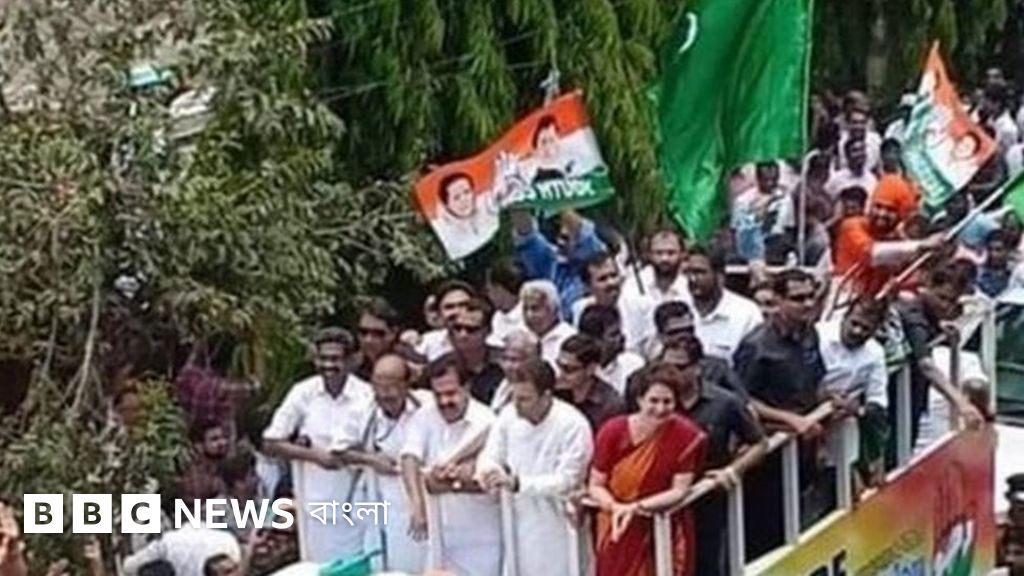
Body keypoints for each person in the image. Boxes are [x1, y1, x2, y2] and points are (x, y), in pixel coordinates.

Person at [734, 269, 826, 557]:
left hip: (805, 447)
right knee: (767, 536)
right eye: (798, 298)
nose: (807, 304)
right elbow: (743, 400)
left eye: (811, 296)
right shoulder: (756, 346)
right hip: (770, 454)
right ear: (778, 300)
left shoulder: (810, 333)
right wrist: (790, 419)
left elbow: (814, 380)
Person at [261, 328, 373, 562]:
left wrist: (348, 456)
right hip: (314, 503)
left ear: (351, 361)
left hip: (358, 502)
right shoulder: (303, 392)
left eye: (335, 359)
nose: (328, 365)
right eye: (323, 358)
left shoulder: (366, 395)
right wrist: (315, 456)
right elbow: (271, 442)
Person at [476, 357, 595, 576]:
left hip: (559, 524)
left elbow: (568, 479)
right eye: (514, 397)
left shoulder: (574, 424)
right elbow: (490, 455)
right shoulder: (508, 416)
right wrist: (489, 472)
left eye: (525, 399)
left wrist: (519, 483)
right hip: (517, 520)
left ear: (546, 396)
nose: (517, 404)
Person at [589, 363, 707, 576]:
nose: (660, 409)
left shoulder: (686, 435)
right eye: (653, 400)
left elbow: (679, 490)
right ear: (639, 399)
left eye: (667, 401)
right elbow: (596, 484)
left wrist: (636, 507)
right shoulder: (613, 431)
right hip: (616, 524)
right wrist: (615, 507)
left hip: (664, 523)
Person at [667, 351, 766, 576]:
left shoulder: (725, 402)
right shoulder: (655, 402)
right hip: (665, 498)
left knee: (707, 563)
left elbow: (759, 443)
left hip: (707, 497)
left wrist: (732, 470)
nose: (673, 374)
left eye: (680, 367)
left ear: (697, 368)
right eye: (667, 367)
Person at [400, 356, 501, 576]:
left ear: (467, 387)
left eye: (451, 393)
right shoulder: (425, 415)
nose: (445, 401)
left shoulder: (488, 422)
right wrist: (417, 504)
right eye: (438, 395)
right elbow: (409, 456)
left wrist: (445, 483)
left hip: (480, 537)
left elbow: (488, 478)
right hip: (438, 534)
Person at [333, 354, 429, 574]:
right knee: (379, 563)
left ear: (406, 384)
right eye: (379, 387)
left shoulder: (425, 406)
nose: (385, 394)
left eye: (391, 387)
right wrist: (372, 460)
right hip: (377, 496)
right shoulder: (363, 409)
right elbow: (338, 451)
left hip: (418, 496)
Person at [894, 265, 985, 444]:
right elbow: (926, 365)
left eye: (952, 301)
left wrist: (940, 330)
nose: (946, 306)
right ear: (928, 287)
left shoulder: (930, 315)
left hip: (914, 395)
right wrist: (962, 403)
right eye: (941, 297)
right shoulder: (913, 315)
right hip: (896, 397)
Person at [816, 297, 890, 487]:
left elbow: (878, 400)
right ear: (845, 316)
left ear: (875, 330)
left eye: (866, 329)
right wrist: (822, 396)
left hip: (844, 420)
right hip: (810, 412)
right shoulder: (818, 335)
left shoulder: (875, 353)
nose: (857, 331)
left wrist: (856, 409)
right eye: (854, 323)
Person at [834, 174, 938, 295]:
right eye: (878, 206)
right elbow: (872, 253)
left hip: (870, 302)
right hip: (841, 297)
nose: (882, 213)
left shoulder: (895, 241)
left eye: (890, 210)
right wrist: (922, 245)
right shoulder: (851, 226)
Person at [511, 208, 607, 314]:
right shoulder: (550, 262)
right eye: (560, 237)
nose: (560, 242)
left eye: (566, 238)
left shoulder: (592, 257)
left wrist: (559, 203)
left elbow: (579, 229)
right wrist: (517, 202)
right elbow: (527, 236)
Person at [683, 244, 763, 364]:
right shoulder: (677, 307)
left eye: (700, 272)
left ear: (719, 275)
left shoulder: (747, 313)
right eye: (688, 273)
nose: (692, 279)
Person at [571, 251, 655, 355]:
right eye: (602, 279)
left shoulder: (643, 306)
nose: (611, 283)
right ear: (587, 286)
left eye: (614, 275)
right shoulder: (580, 308)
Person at [555, 334, 626, 432]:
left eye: (569, 369)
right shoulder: (554, 393)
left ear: (590, 369)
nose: (560, 374)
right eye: (559, 365)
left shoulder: (610, 405)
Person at [732, 161, 796, 264]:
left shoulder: (785, 199)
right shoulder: (743, 200)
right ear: (758, 178)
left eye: (774, 180)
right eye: (766, 180)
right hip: (750, 243)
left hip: (777, 244)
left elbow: (789, 229)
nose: (770, 183)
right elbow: (735, 229)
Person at [443, 297, 504, 405]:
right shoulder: (441, 367)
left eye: (471, 329)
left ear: (488, 331)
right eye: (457, 328)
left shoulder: (505, 364)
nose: (463, 335)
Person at [431, 171, 500, 260]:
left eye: (467, 192)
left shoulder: (488, 209)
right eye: (456, 197)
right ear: (446, 205)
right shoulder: (441, 230)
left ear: (473, 192)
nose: (464, 199)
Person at [578, 304, 645, 395]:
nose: (622, 337)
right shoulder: (577, 371)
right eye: (614, 335)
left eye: (620, 332)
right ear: (595, 340)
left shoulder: (634, 364)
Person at [354, 297, 421, 381]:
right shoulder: (352, 366)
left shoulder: (412, 363)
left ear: (393, 333)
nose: (368, 340)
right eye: (363, 332)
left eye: (378, 334)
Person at [621, 228, 689, 305]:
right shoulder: (633, 286)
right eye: (659, 253)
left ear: (682, 254)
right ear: (649, 254)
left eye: (671, 253)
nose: (664, 258)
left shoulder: (689, 286)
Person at [520, 280, 577, 364]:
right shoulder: (522, 337)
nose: (529, 315)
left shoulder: (569, 338)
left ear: (553, 309)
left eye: (535, 309)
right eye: (525, 309)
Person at [417, 281, 476, 361]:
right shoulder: (428, 343)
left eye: (463, 305)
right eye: (449, 307)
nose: (457, 311)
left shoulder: (491, 341)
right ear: (439, 312)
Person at [177, 420, 231, 503]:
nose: (222, 443)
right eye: (214, 439)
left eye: (224, 437)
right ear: (199, 445)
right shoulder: (191, 470)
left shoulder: (222, 466)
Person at [490, 329, 542, 412]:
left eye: (514, 360)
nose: (508, 365)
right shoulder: (492, 382)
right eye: (505, 359)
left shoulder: (541, 389)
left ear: (533, 360)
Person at [484, 258, 525, 344]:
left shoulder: (528, 317)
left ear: (499, 288)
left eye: (489, 290)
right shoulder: (497, 317)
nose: (488, 295)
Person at [977, 229, 1013, 298]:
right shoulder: (978, 274)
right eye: (990, 249)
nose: (993, 254)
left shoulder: (1015, 272)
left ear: (1008, 251)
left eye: (998, 250)